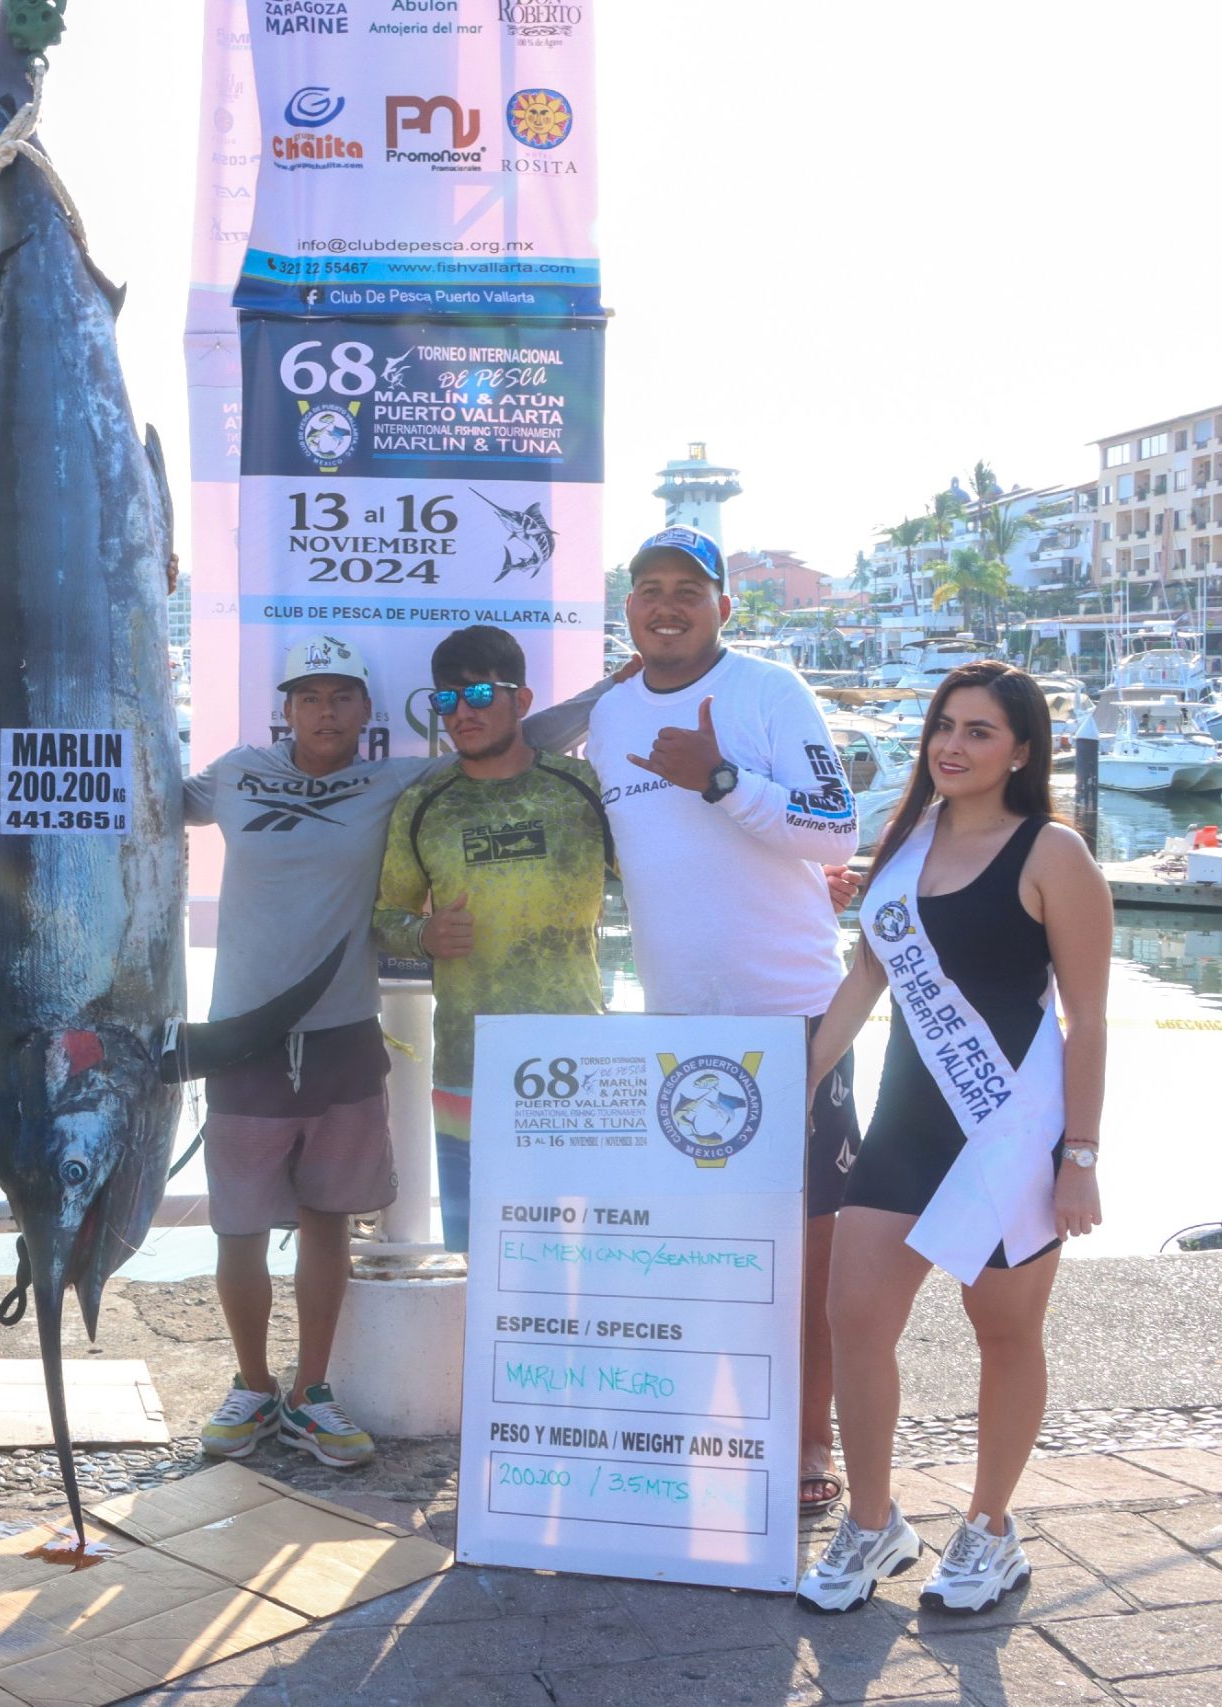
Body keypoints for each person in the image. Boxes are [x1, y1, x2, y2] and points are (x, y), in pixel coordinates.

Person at [185, 634, 614, 1470]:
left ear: (367, 712)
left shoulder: (398, 781)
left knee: (328, 1221)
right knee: (236, 1227)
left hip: (345, 1028)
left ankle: (311, 1392)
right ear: (284, 708)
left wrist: (621, 688)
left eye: (342, 695)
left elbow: (518, 731)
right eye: (308, 696)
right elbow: (145, 799)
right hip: (240, 1031)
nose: (325, 710)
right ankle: (249, 1382)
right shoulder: (235, 773)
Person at [795, 662, 1108, 1616]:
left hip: (1010, 1134)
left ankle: (990, 1529)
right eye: (945, 725)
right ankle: (875, 1520)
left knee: (1004, 1331)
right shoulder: (905, 848)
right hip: (905, 1126)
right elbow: (863, 984)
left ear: (1021, 749)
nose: (953, 744)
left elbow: (1088, 1020)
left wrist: (1081, 1157)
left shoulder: (1053, 852)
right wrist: (797, 1084)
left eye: (979, 730)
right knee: (855, 1318)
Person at [584, 525, 867, 1521]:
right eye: (646, 590)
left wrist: (719, 779)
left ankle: (806, 1437)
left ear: (724, 606)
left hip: (793, 1017)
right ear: (628, 610)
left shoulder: (767, 692)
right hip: (675, 1028)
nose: (665, 604)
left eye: (686, 590)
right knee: (700, 1246)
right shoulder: (608, 714)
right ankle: (714, 1428)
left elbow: (838, 828)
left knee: (810, 1249)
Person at [375, 625, 613, 1257]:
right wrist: (423, 935)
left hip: (580, 1065)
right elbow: (385, 914)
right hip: (466, 1069)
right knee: (478, 1257)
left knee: (579, 1256)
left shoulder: (581, 790)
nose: (463, 712)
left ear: (524, 700)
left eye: (479, 692)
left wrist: (809, 880)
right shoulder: (425, 803)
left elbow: (668, 880)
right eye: (446, 700)